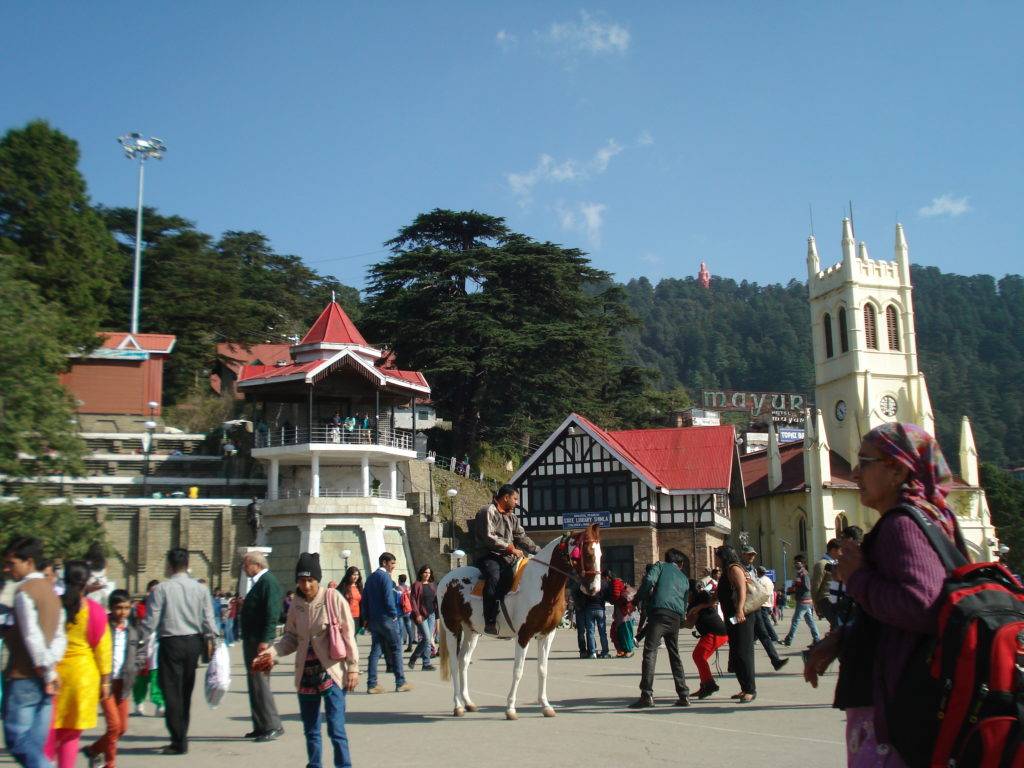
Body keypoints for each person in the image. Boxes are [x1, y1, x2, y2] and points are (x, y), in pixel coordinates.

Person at [805, 423, 965, 766]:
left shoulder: (901, 526)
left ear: (896, 469)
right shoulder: (935, 517)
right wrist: (844, 638)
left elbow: (921, 605)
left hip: (897, 704)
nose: (855, 472)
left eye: (865, 462)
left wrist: (857, 577)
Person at [256, 553, 358, 768]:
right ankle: (314, 765)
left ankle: (344, 765)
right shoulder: (296, 604)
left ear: (317, 579)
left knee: (336, 728)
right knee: (310, 729)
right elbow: (291, 638)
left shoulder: (332, 598)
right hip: (305, 676)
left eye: (310, 579)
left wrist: (353, 668)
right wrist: (272, 653)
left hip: (330, 672)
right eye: (302, 580)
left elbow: (348, 634)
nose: (306, 584)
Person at [141, 548, 220, 755]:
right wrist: (214, 641)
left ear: (169, 565)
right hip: (193, 643)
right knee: (185, 691)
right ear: (187, 564)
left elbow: (151, 622)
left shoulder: (161, 589)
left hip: (170, 642)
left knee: (171, 692)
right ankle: (181, 735)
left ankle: (178, 739)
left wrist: (138, 642)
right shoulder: (200, 589)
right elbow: (209, 620)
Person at [1, 537, 66, 768]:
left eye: (11, 563)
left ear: (29, 562)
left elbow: (32, 636)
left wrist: (45, 667)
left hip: (24, 676)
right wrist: (51, 668)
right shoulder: (51, 592)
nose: (7, 569)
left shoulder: (24, 592)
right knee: (34, 745)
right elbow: (60, 636)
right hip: (44, 676)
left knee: (17, 738)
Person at [47, 561, 111, 768]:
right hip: (83, 677)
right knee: (71, 735)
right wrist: (106, 681)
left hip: (54, 673)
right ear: (86, 583)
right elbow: (103, 650)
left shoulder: (53, 605)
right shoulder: (95, 610)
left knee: (49, 731)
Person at [472, 485, 538, 635]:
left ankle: (503, 610)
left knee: (515, 578)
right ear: (506, 497)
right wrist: (511, 548)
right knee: (494, 576)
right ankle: (489, 620)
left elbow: (522, 537)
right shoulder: (487, 511)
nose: (516, 502)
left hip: (506, 558)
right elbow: (489, 537)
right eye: (515, 499)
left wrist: (538, 551)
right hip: (487, 555)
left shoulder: (512, 517)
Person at [629, 548, 691, 709]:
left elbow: (649, 580)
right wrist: (682, 615)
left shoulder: (660, 566)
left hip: (659, 613)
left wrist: (638, 598)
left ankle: (646, 694)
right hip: (676, 616)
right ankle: (683, 694)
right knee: (674, 653)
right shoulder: (684, 577)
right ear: (681, 564)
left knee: (650, 652)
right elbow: (685, 600)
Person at [85, 590, 139, 768]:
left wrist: (136, 668)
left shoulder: (132, 630)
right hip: (106, 683)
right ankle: (110, 764)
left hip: (123, 683)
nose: (122, 612)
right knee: (114, 725)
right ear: (110, 608)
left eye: (126, 608)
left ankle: (94, 749)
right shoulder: (104, 627)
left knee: (121, 727)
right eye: (118, 608)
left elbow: (140, 652)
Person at [240, 552, 284, 742]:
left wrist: (266, 640)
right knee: (254, 684)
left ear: (255, 564)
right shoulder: (260, 582)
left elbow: (272, 613)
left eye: (245, 564)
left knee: (261, 684)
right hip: (253, 639)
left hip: (260, 642)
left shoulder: (268, 582)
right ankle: (260, 725)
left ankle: (272, 726)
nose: (243, 567)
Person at [361, 552, 411, 694]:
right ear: (384, 562)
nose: (393, 566)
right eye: (392, 563)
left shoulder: (370, 578)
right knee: (396, 648)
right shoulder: (385, 578)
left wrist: (366, 617)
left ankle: (372, 684)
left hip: (374, 620)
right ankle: (400, 682)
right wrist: (393, 614)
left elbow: (364, 600)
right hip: (387, 620)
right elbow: (389, 598)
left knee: (375, 651)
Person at [716, 545, 757, 703]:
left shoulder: (734, 569)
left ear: (724, 556)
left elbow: (741, 589)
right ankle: (744, 687)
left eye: (718, 556)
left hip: (742, 617)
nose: (716, 559)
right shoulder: (726, 571)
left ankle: (750, 690)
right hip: (732, 617)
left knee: (744, 652)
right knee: (736, 652)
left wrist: (739, 610)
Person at [686, 586, 728, 699]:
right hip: (718, 632)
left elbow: (689, 624)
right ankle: (705, 685)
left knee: (698, 656)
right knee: (700, 658)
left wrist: (671, 623)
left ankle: (709, 684)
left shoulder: (694, 605)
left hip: (715, 633)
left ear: (690, 592)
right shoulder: (701, 601)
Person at [132, 579, 164, 717]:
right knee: (141, 678)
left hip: (157, 647)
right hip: (142, 646)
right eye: (152, 591)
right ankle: (139, 702)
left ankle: (159, 704)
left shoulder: (165, 608)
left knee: (157, 677)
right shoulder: (139, 608)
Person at [783, 555, 821, 647]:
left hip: (804, 600)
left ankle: (789, 639)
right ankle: (817, 639)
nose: (795, 564)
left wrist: (795, 589)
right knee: (810, 621)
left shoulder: (804, 574)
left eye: (797, 562)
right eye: (795, 562)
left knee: (795, 620)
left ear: (803, 564)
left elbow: (807, 587)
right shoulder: (800, 573)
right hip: (806, 600)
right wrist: (793, 589)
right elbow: (799, 586)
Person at [408, 565, 437, 671]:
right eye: (425, 572)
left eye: (429, 573)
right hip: (421, 615)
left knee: (428, 640)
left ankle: (426, 664)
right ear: (421, 573)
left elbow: (435, 600)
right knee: (426, 638)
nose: (427, 575)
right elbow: (413, 600)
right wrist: (417, 614)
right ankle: (413, 658)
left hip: (431, 615)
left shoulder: (432, 585)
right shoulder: (416, 585)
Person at [812, 539, 842, 628]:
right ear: (833, 550)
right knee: (837, 625)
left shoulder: (837, 563)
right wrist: (815, 604)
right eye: (841, 550)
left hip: (837, 599)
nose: (841, 553)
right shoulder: (822, 564)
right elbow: (815, 586)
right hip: (826, 599)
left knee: (838, 626)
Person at [340, 567, 363, 635]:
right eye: (354, 575)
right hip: (347, 616)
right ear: (349, 575)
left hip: (357, 616)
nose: (356, 577)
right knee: (350, 636)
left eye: (357, 575)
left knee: (354, 635)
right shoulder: (344, 587)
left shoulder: (359, 587)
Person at [396, 574, 415, 652]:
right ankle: (410, 646)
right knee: (409, 628)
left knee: (400, 629)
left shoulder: (397, 588)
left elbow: (397, 600)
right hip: (408, 611)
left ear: (399, 580)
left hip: (400, 611)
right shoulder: (408, 588)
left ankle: (399, 648)